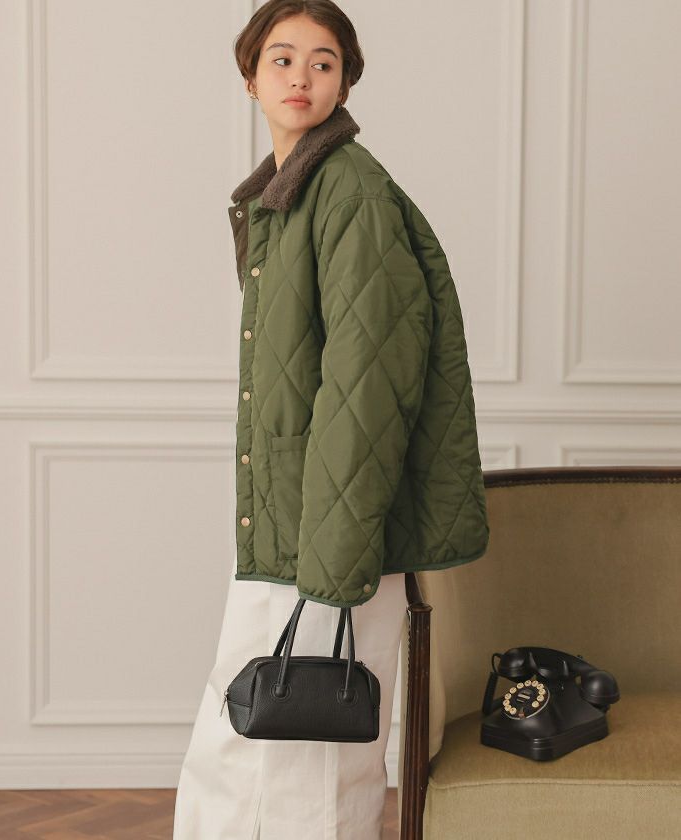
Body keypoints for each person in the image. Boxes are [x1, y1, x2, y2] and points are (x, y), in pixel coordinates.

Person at [173, 1, 489, 838]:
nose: (302, 77)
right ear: (250, 78)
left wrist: (337, 557)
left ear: (345, 81)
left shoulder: (350, 192)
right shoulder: (288, 196)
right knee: (255, 741)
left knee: (299, 754)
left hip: (330, 531)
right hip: (294, 517)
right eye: (282, 59)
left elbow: (369, 384)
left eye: (323, 62)